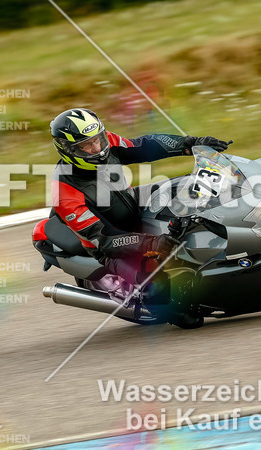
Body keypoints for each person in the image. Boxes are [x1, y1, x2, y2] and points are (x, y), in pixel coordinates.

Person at [31, 107, 230, 325]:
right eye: (86, 146)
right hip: (110, 246)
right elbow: (104, 239)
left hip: (132, 203)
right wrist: (153, 243)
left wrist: (192, 143)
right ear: (67, 149)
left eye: (98, 139)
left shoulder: (106, 145)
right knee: (169, 294)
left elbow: (146, 145)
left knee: (189, 186)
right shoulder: (64, 192)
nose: (97, 148)